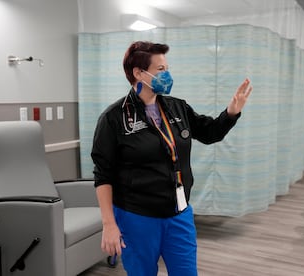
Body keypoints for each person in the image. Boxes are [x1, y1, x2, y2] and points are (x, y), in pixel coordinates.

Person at [91, 41, 252, 276]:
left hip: (179, 213)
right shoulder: (113, 118)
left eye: (167, 68)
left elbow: (210, 133)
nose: (167, 74)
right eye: (161, 69)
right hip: (137, 218)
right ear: (139, 73)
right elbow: (103, 175)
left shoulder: (177, 108)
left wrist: (231, 112)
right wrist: (109, 224)